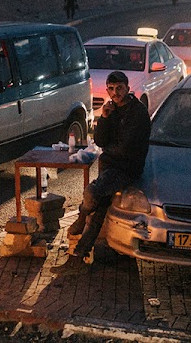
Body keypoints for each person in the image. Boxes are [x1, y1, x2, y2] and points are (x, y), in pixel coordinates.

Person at [52, 70, 154, 275]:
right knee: (98, 211)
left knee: (92, 193)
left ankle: (81, 216)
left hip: (127, 168)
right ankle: (77, 259)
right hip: (109, 166)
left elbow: (126, 147)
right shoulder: (111, 109)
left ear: (127, 88)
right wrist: (105, 118)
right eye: (111, 89)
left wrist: (108, 149)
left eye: (119, 89)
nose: (115, 93)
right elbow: (99, 141)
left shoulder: (138, 112)